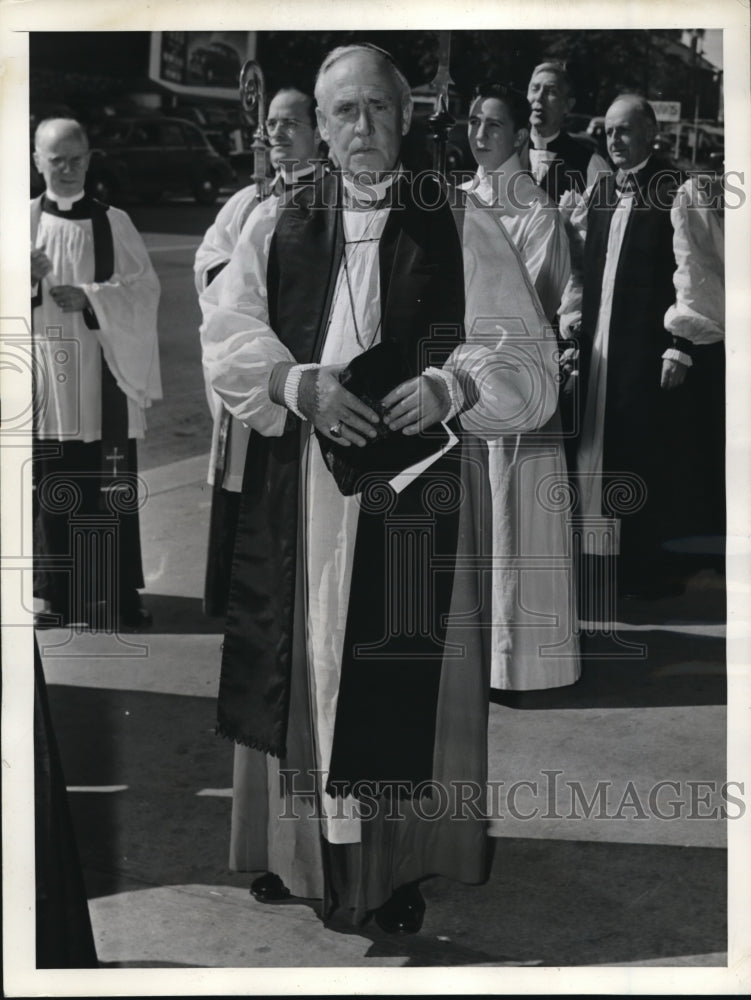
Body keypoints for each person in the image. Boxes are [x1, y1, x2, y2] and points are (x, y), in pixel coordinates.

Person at [202, 43, 559, 931]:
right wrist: (294, 386)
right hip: (304, 496)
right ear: (319, 128)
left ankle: (393, 868)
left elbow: (530, 359)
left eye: (378, 109)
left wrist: (454, 384)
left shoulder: (459, 220)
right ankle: (296, 855)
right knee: (305, 657)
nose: (362, 127)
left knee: (397, 670)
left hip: (411, 493)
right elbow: (228, 330)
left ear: (406, 117)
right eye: (343, 113)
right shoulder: (272, 221)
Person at [458, 83, 579, 691]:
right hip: (462, 382)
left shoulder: (535, 211)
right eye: (474, 121)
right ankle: (475, 657)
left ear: (514, 136)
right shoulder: (457, 200)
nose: (479, 133)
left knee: (517, 520)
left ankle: (526, 667)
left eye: (494, 124)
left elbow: (529, 303)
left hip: (516, 380)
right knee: (476, 518)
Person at [559, 95, 700, 598]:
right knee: (593, 449)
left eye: (625, 131)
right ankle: (596, 564)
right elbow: (580, 272)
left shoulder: (677, 191)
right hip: (599, 348)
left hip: (643, 350)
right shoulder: (598, 192)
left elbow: (693, 272)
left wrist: (680, 343)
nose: (614, 141)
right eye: (609, 132)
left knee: (639, 452)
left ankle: (641, 567)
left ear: (650, 134)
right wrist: (573, 330)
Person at [194, 86, 323, 617]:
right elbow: (209, 259)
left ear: (319, 133)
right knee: (242, 478)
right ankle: (234, 598)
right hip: (251, 356)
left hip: (299, 358)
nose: (279, 133)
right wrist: (238, 281)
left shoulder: (331, 199)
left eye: (292, 122)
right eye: (273, 123)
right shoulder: (248, 200)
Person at [31, 118, 161, 629]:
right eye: (55, 159)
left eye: (76, 158)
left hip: (103, 373)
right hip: (46, 379)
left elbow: (146, 289)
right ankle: (56, 595)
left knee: (109, 482)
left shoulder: (115, 222)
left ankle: (118, 594)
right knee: (52, 483)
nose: (66, 169)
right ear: (37, 160)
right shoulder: (17, 221)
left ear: (90, 159)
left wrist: (92, 298)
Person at [525, 61, 611, 206]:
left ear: (567, 105)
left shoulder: (590, 165)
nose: (539, 97)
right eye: (535, 89)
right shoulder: (506, 153)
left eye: (550, 91)